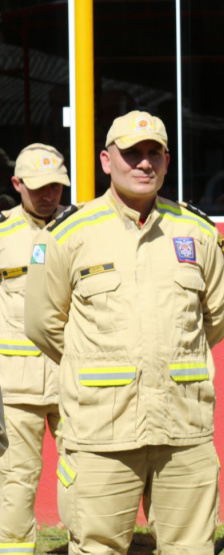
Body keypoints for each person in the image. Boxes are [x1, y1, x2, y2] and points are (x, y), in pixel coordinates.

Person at [24, 111, 224, 553]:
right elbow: (44, 324)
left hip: (184, 428)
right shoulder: (69, 234)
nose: (143, 163)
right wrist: (102, 362)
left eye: (153, 153)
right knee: (97, 547)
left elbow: (216, 320)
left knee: (192, 548)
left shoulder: (197, 231)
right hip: (101, 430)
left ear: (167, 159)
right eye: (131, 153)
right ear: (106, 160)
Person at [0, 144, 70, 554]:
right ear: (17, 184)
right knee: (16, 480)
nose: (48, 195)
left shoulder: (80, 230)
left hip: (74, 382)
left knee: (82, 476)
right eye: (38, 187)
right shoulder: (3, 236)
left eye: (56, 187)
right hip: (15, 387)